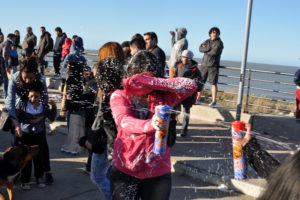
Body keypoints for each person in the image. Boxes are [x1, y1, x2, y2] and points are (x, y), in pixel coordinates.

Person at [109, 51, 197, 199]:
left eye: (149, 77)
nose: (144, 83)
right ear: (132, 74)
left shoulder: (164, 97)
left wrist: (150, 81)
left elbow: (191, 85)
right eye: (140, 76)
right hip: (125, 169)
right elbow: (124, 122)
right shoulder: (119, 95)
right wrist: (151, 124)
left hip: (158, 172)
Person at [5, 56, 54, 185]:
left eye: (31, 78)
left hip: (37, 110)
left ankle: (46, 171)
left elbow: (45, 100)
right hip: (20, 109)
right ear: (20, 73)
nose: (27, 80)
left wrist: (41, 117)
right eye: (25, 77)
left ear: (36, 75)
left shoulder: (41, 79)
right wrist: (15, 122)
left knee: (42, 146)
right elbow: (10, 102)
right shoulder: (15, 79)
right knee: (16, 142)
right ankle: (15, 172)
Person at [87, 42, 124, 200]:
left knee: (97, 176)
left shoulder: (108, 81)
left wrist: (93, 135)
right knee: (111, 176)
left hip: (106, 137)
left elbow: (103, 114)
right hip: (117, 137)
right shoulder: (122, 77)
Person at [14, 81, 56, 190]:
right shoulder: (22, 103)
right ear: (28, 94)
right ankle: (25, 180)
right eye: (31, 96)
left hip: (39, 134)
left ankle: (39, 177)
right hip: (25, 134)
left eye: (36, 96)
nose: (33, 99)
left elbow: (51, 118)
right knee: (26, 157)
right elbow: (15, 116)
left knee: (39, 156)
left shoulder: (44, 105)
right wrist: (22, 122)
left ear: (41, 95)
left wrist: (54, 107)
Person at [175, 50, 202, 137]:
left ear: (190, 59)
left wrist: (196, 90)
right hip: (178, 92)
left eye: (185, 57)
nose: (183, 59)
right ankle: (173, 125)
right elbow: (175, 77)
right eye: (182, 57)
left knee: (186, 111)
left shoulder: (195, 69)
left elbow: (199, 82)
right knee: (175, 110)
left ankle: (184, 129)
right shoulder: (179, 66)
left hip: (188, 95)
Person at [198, 27, 224, 107]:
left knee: (213, 83)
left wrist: (206, 49)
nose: (214, 34)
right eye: (213, 32)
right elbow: (200, 48)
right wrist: (207, 48)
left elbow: (214, 52)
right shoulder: (207, 41)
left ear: (218, 34)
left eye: (216, 33)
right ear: (210, 33)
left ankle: (213, 101)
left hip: (213, 66)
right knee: (201, 82)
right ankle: (197, 98)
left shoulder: (219, 43)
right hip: (204, 65)